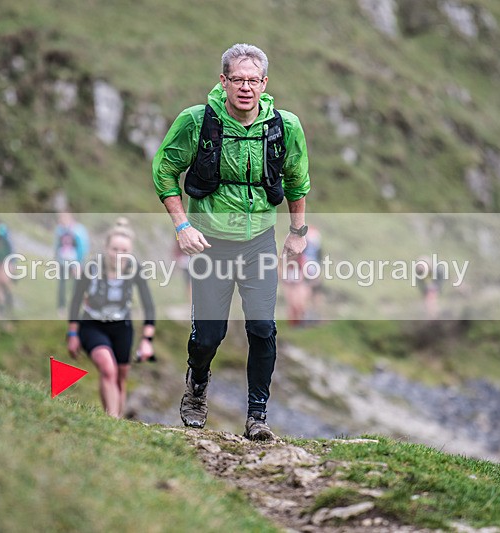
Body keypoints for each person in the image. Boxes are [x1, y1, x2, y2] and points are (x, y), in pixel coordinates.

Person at [152, 43, 311, 441]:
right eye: (237, 79)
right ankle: (197, 385)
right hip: (210, 244)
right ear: (222, 81)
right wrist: (181, 226)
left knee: (262, 327)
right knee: (209, 335)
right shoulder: (197, 121)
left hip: (258, 241)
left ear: (264, 83)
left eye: (252, 80)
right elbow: (164, 171)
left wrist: (297, 233)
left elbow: (297, 180)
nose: (245, 87)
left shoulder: (284, 127)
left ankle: (257, 416)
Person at [66, 221, 156, 417]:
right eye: (115, 249)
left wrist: (147, 341)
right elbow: (75, 302)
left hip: (122, 327)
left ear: (130, 251)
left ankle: (118, 421)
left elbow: (149, 307)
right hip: (92, 326)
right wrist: (72, 334)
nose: (119, 254)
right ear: (106, 248)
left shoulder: (135, 269)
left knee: (121, 377)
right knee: (108, 369)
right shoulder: (91, 268)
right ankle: (113, 421)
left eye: (124, 250)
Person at [54, 212, 89, 313]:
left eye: (63, 219)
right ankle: (61, 307)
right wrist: (56, 257)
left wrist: (78, 263)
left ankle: (76, 306)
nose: (61, 221)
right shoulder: (60, 229)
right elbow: (57, 244)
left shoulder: (78, 230)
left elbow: (83, 247)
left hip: (75, 263)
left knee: (77, 286)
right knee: (62, 285)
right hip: (63, 262)